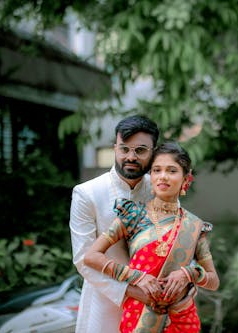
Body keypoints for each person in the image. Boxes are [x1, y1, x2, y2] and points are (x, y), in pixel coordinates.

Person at [84, 141, 220, 333]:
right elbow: (92, 257)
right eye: (157, 170)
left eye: (172, 171)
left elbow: (213, 281)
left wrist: (190, 273)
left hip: (182, 318)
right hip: (139, 317)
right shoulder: (133, 215)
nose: (163, 176)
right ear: (150, 175)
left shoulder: (195, 227)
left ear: (185, 179)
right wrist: (136, 277)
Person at [69, 115, 160, 332]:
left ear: (153, 152)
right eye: (124, 149)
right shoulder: (87, 193)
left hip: (156, 302)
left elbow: (180, 239)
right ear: (115, 148)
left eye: (140, 150)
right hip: (105, 302)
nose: (131, 156)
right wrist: (133, 291)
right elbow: (83, 259)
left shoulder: (161, 189)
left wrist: (185, 278)